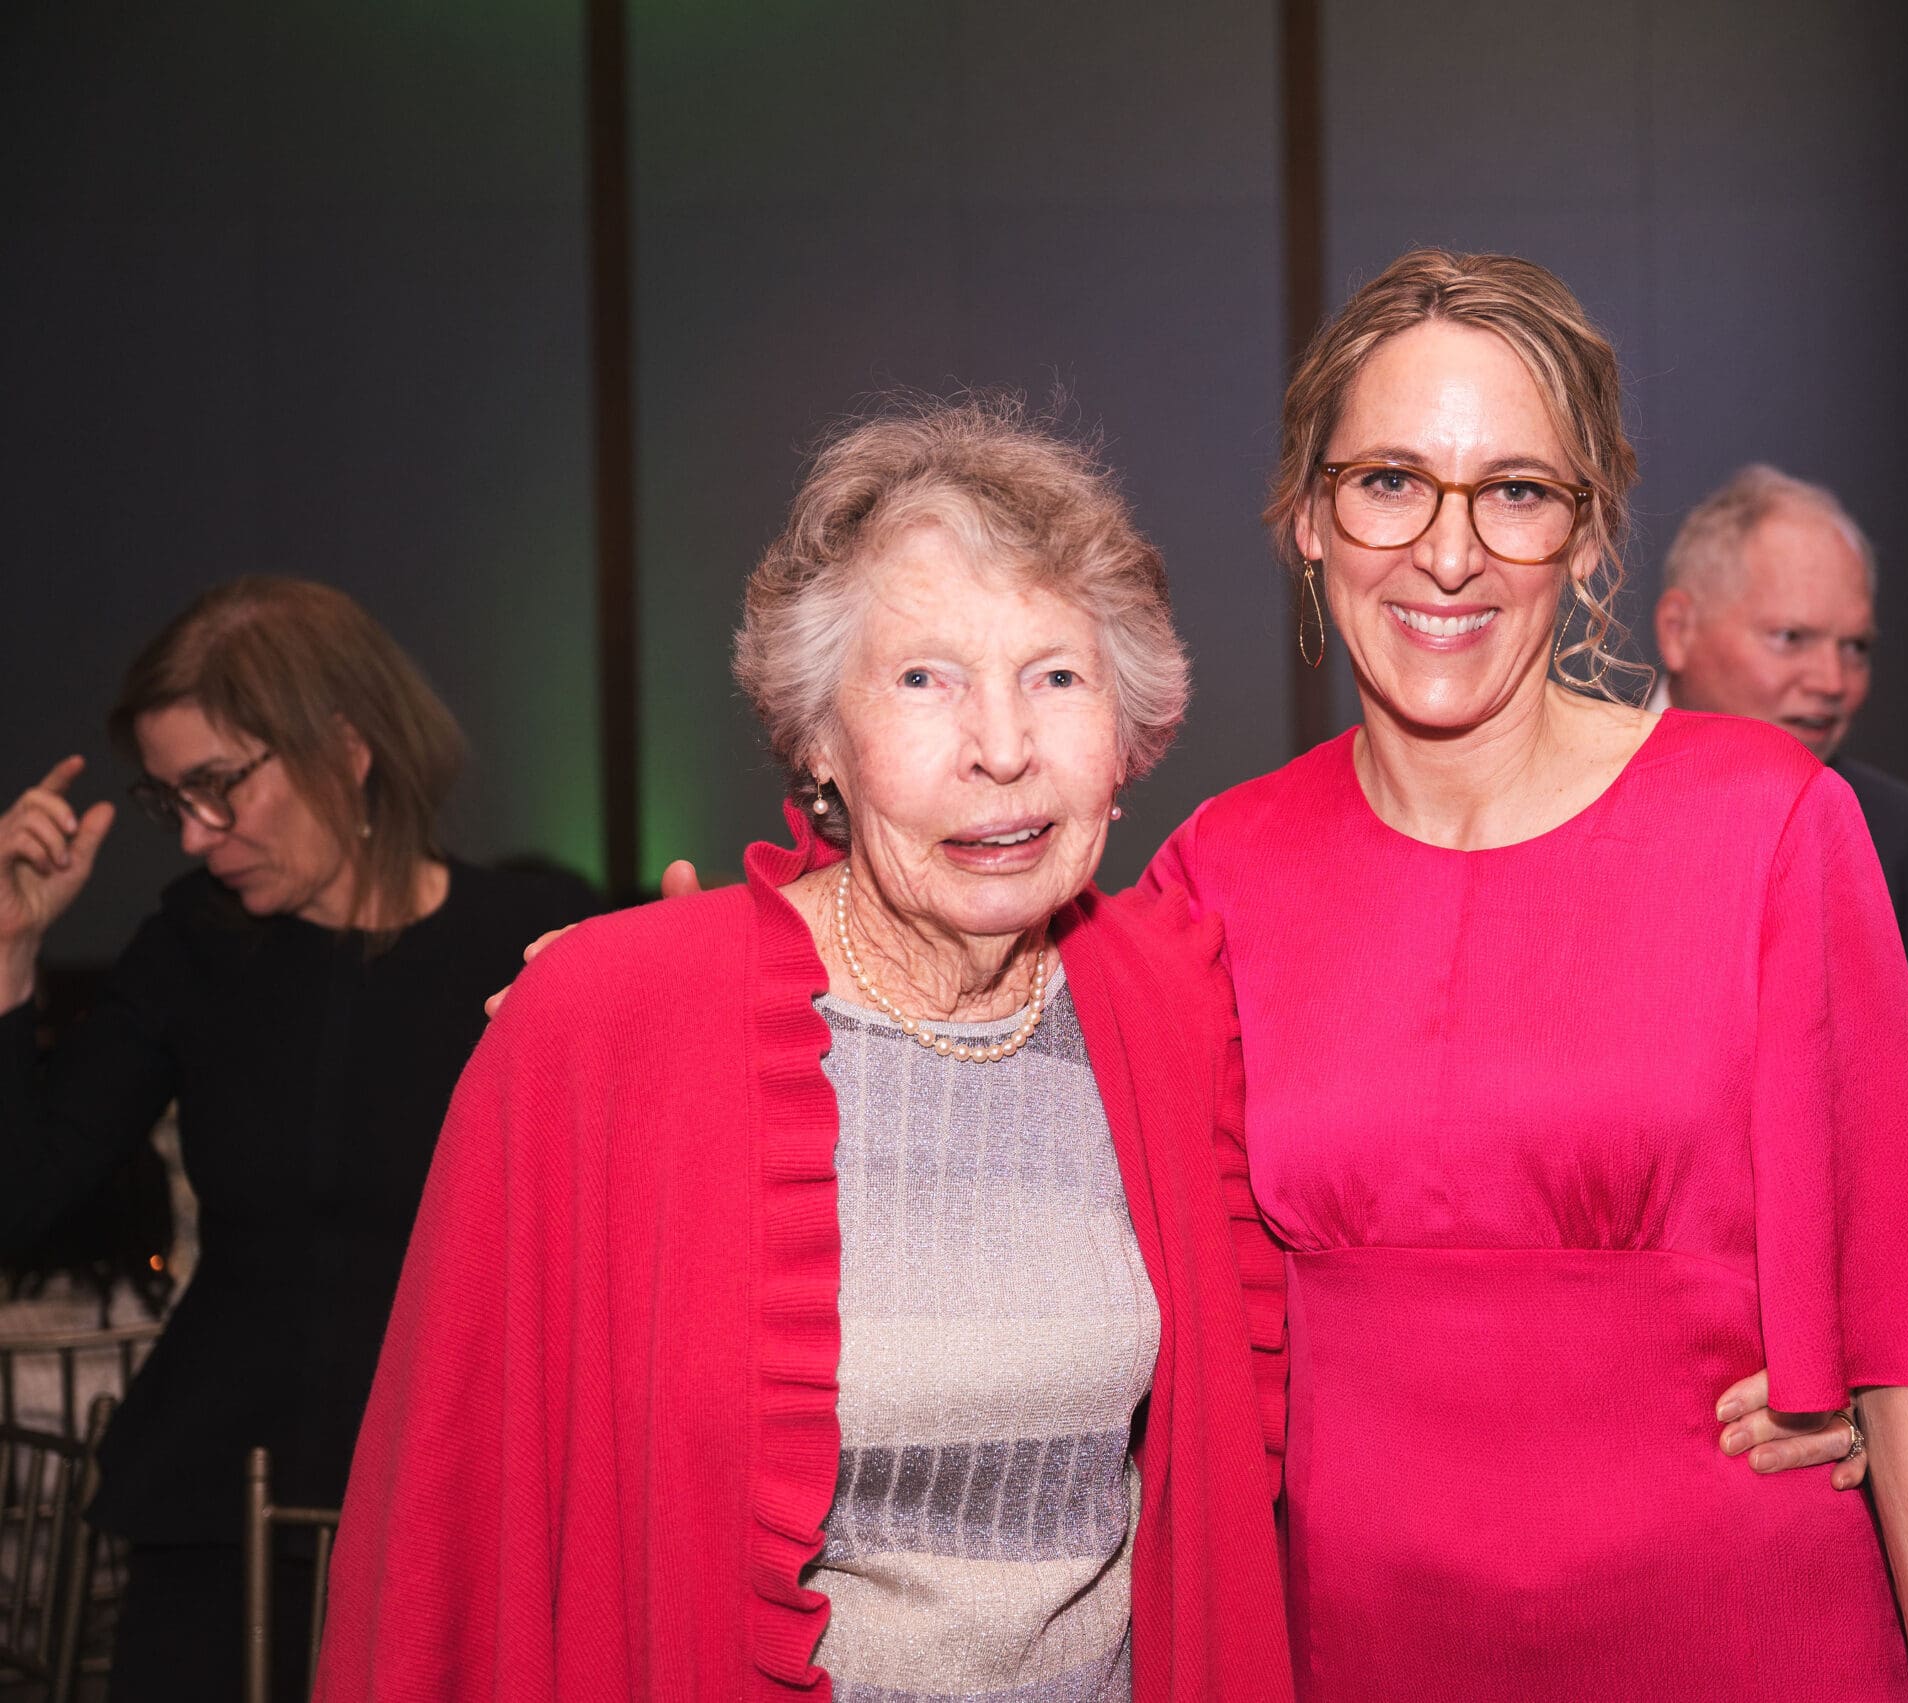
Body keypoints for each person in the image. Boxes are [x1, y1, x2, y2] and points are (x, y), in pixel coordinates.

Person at [317, 400, 1292, 1702]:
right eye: (923, 679)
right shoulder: (605, 1024)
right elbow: (445, 1526)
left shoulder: (1171, 1006)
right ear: (819, 741)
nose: (1002, 747)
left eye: (1056, 675)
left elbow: (1239, 1454)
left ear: (1125, 737)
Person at [1142, 251, 1908, 1700]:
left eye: (1518, 492)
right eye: (1391, 480)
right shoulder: (1220, 869)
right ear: (1305, 517)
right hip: (1352, 1642)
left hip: (1738, 1625)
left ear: (1591, 538)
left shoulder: (1770, 821)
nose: (1449, 552)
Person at [0, 577, 599, 1702]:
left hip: (462, 1520)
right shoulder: (193, 942)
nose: (194, 833)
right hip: (217, 1517)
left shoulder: (521, 944)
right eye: (171, 799)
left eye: (220, 786)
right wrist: (8, 955)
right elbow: (20, 1200)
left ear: (349, 743)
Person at [1651, 465, 1908, 1260]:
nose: (1833, 682)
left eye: (1856, 647)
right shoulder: (1551, 801)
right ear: (1678, 629)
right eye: (1792, 639)